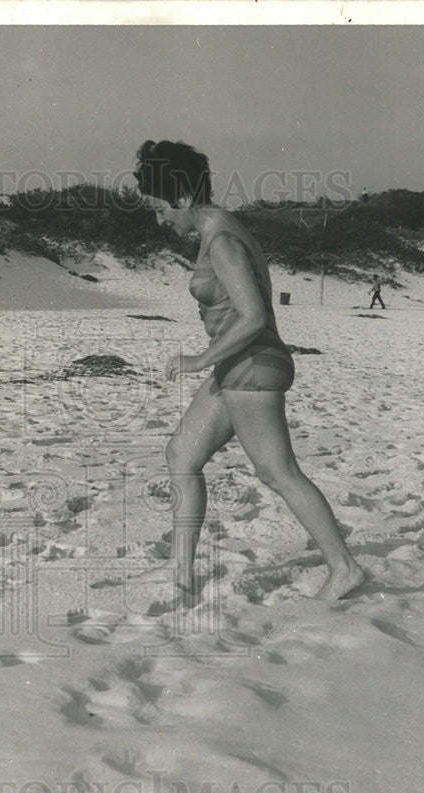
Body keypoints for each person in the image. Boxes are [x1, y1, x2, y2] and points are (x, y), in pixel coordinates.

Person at [132, 139, 365, 603]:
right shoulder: (218, 228)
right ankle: (180, 572)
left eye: (160, 210)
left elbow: (254, 315)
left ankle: (344, 569)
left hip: (252, 365)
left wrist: (200, 360)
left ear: (180, 197)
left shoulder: (222, 241)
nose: (160, 221)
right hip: (238, 365)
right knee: (182, 454)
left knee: (277, 472)